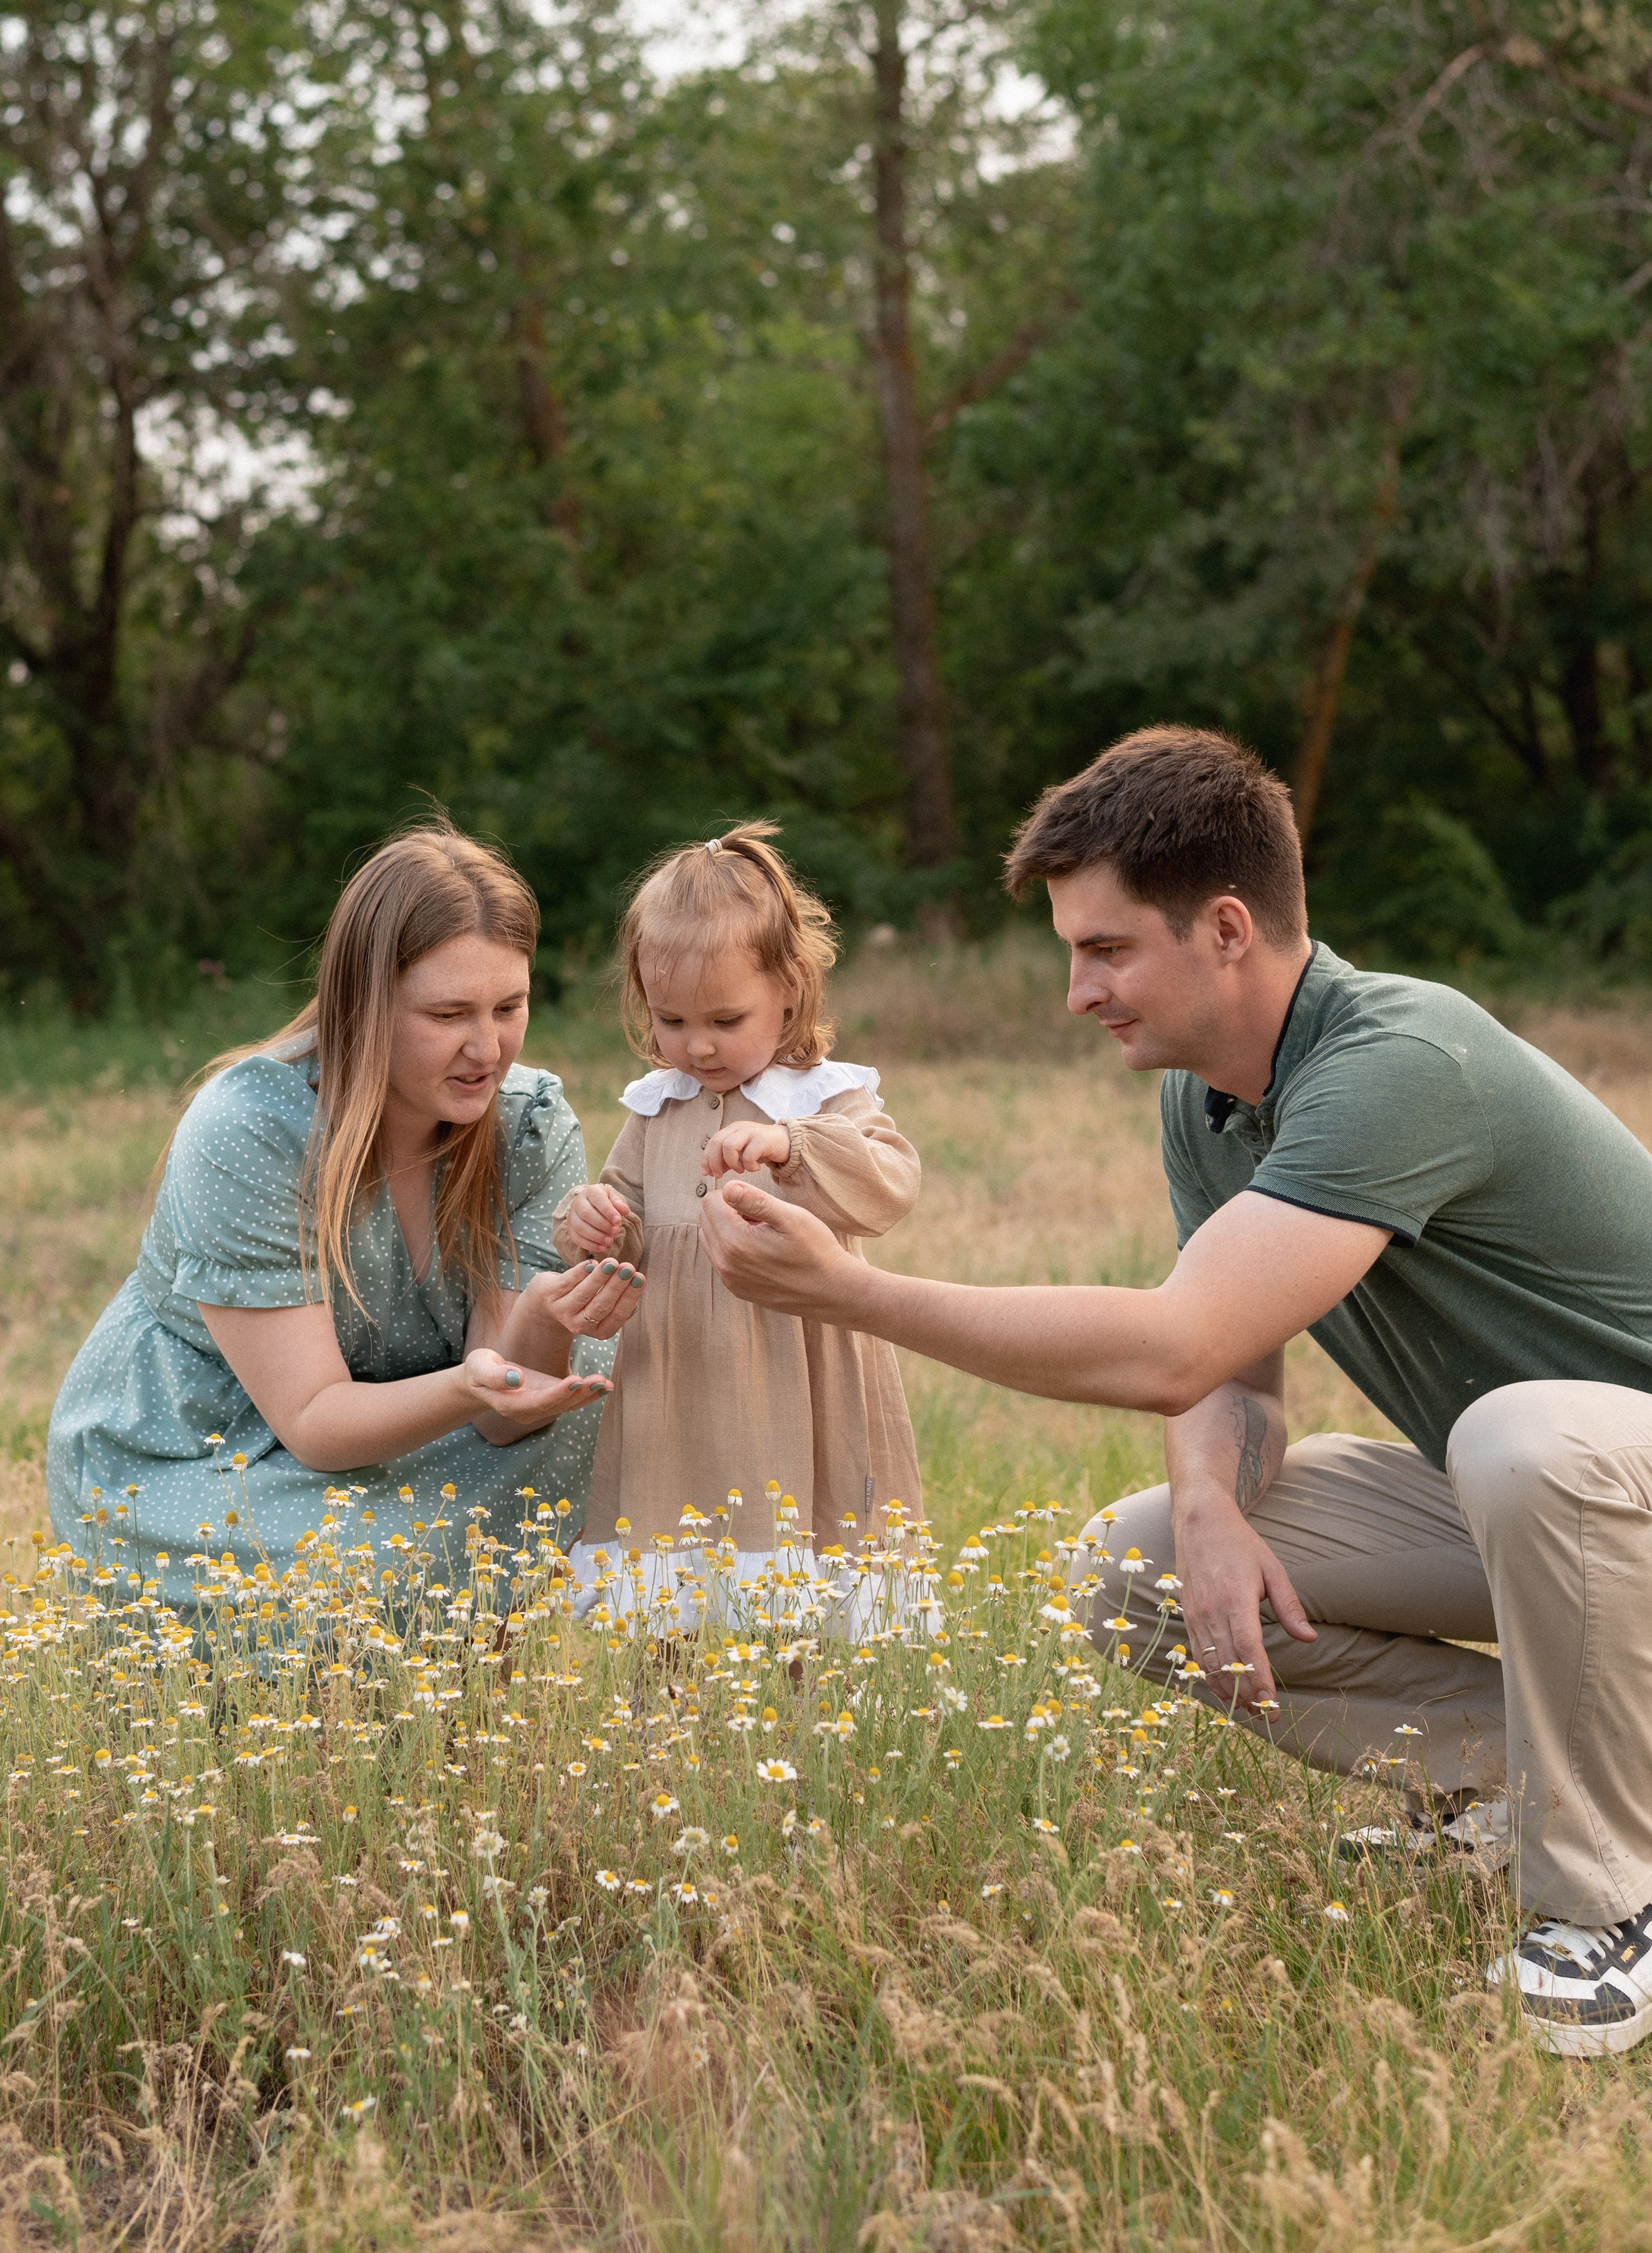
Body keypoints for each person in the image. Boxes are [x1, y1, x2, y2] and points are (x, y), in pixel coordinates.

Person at [698, 729, 1652, 2058]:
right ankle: (1532, 1789)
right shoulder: (1209, 1100)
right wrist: (1208, 1506)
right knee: (1137, 1563)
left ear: (1225, 930)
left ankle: (1604, 1907)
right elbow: (1231, 1370)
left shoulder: (1401, 1060)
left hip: (1589, 1483)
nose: (1076, 993)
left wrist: (853, 1293)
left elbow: (1172, 1345)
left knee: (1518, 1436)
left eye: (1105, 950)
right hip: (1572, 1526)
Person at [46, 823, 643, 1620]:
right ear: (363, 1004)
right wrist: (470, 1387)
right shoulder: (251, 1129)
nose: (486, 1048)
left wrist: (536, 1325)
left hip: (419, 1434)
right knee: (357, 1571)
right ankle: (410, 1604)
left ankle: (443, 1607)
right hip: (214, 1457)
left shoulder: (526, 1125)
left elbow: (503, 1421)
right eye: (448, 1014)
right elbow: (315, 1423)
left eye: (509, 1006)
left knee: (608, 1389)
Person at [552, 822, 923, 1633]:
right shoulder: (658, 1107)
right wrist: (596, 1221)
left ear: (790, 987)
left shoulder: (824, 1096)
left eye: (725, 1018)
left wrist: (793, 1146)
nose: (697, 1045)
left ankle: (793, 1695)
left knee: (791, 1555)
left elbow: (890, 1182)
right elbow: (627, 1216)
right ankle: (666, 1700)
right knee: (671, 1565)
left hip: (795, 1368)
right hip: (679, 1370)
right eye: (671, 1019)